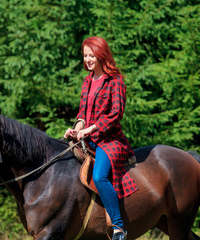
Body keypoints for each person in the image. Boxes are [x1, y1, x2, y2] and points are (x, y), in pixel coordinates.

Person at [64, 36, 138, 240]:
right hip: (88, 139)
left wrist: (89, 130)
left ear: (101, 55)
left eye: (91, 55)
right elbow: (82, 113)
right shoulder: (87, 81)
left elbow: (116, 114)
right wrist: (76, 129)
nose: (87, 59)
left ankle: (118, 227)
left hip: (110, 141)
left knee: (98, 177)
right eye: (85, 55)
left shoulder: (116, 81)